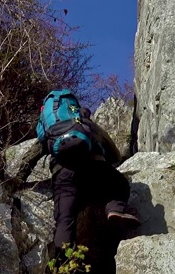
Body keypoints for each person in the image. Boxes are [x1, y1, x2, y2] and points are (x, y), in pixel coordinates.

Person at [36, 89, 139, 249]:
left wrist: (19, 179)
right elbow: (113, 151)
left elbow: (34, 152)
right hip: (94, 167)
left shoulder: (48, 128)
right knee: (119, 184)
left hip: (63, 173)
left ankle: (62, 262)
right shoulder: (82, 122)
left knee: (64, 219)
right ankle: (115, 208)